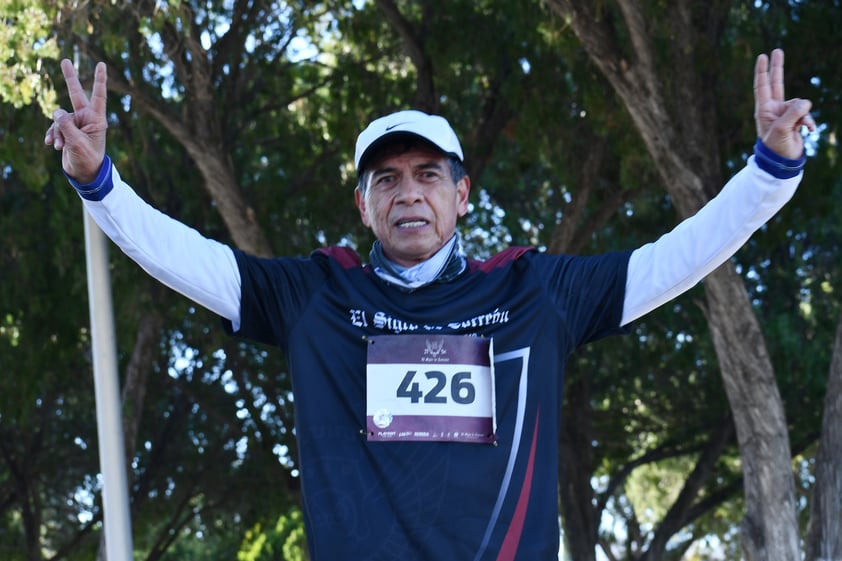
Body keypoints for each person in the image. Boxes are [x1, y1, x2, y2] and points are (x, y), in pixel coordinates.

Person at [45, 49, 814, 560]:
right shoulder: (317, 293)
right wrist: (101, 182)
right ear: (362, 203)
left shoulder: (532, 290)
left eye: (427, 173)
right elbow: (189, 260)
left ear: (462, 194)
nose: (408, 191)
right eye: (386, 179)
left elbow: (674, 260)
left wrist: (771, 173)